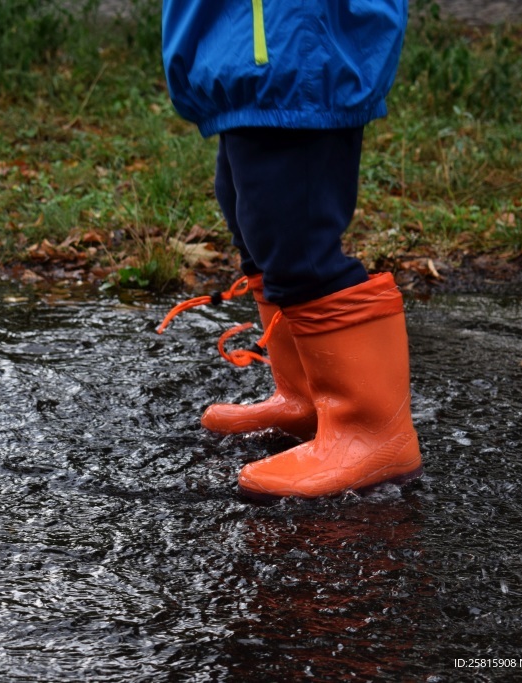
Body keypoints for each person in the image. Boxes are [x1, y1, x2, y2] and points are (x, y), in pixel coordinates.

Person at [160, 0, 422, 500]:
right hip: (245, 52)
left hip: (292, 50)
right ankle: (307, 397)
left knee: (295, 240)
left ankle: (371, 433)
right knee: (253, 221)